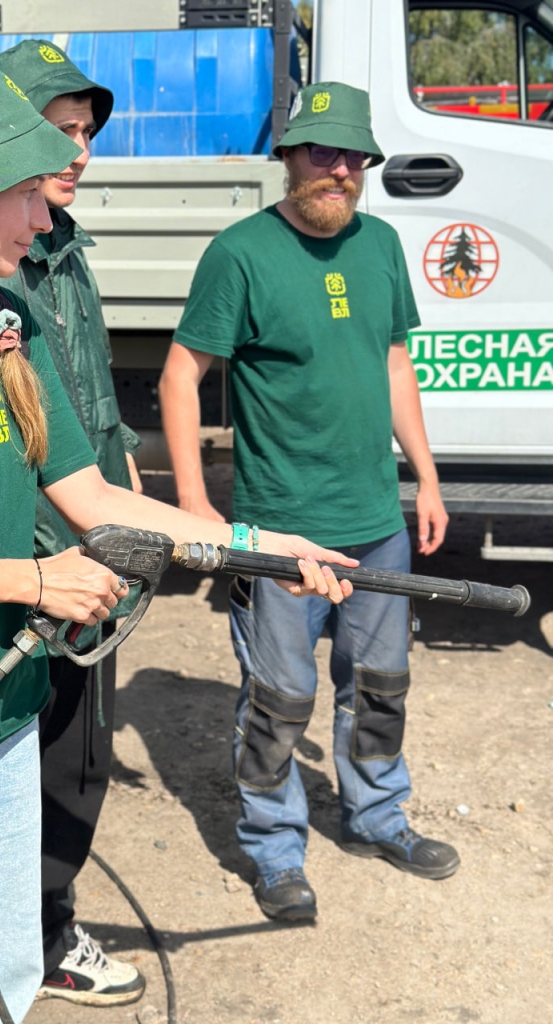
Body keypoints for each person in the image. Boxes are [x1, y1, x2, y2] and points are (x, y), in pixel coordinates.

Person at [0, 66, 354, 1024]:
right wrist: (33, 580)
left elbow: (91, 496)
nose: (47, 220)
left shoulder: (7, 320)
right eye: (26, 189)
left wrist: (258, 544)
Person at [158, 81, 460, 926]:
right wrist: (193, 507)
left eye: (352, 156)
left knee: (382, 683)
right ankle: (274, 850)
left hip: (374, 523)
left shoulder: (382, 247)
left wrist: (425, 476)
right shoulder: (242, 253)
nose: (338, 170)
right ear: (288, 158)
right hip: (277, 534)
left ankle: (377, 816)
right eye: (320, 153)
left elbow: (395, 362)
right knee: (279, 701)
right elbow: (183, 376)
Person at [0, 39, 145, 1007]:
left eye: (86, 131)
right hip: (32, 566)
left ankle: (41, 928)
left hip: (96, 552)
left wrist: (132, 519)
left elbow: (95, 410)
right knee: (17, 761)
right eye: (60, 129)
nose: (80, 149)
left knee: (76, 761)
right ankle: (21, 937)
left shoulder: (68, 249)